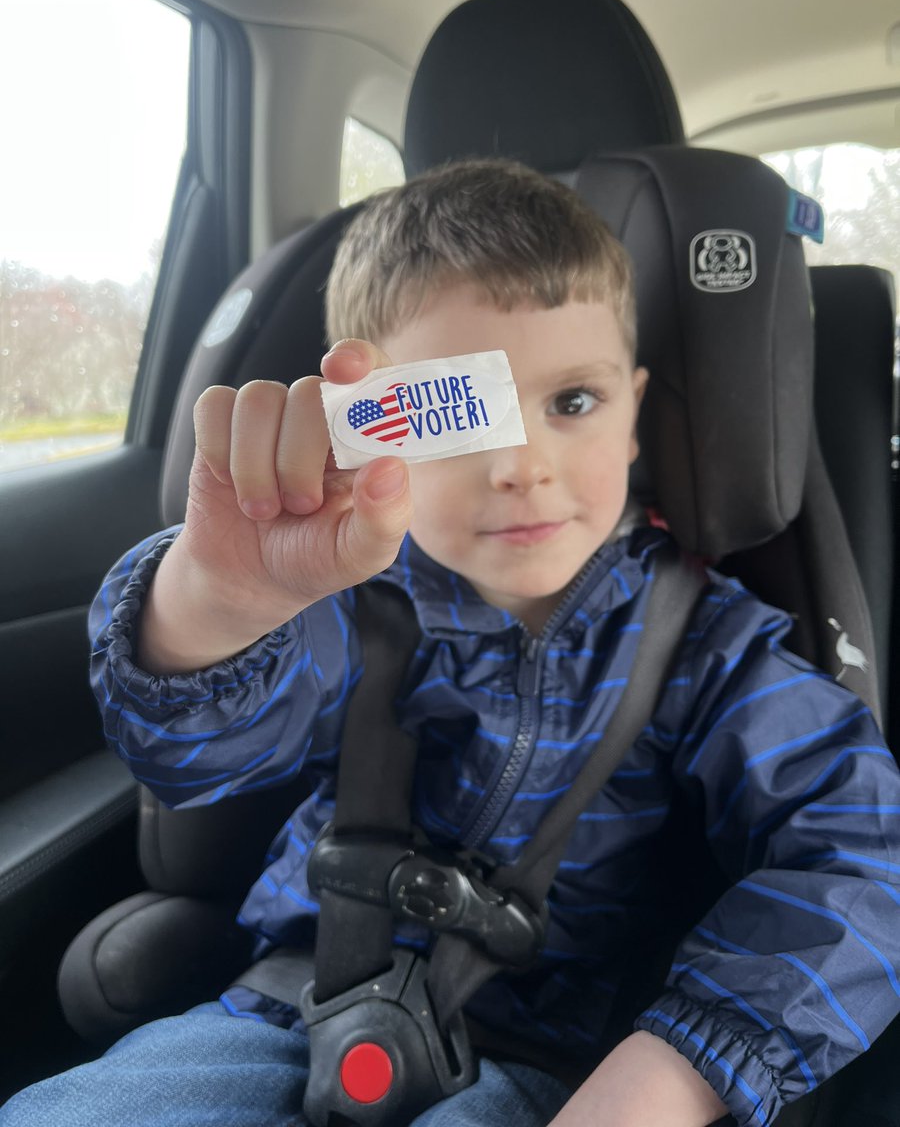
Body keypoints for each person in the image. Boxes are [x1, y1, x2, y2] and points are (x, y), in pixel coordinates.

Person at [4, 158, 900, 1127]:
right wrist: (215, 608)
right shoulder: (347, 600)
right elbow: (193, 761)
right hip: (285, 1006)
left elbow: (864, 853)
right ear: (373, 430)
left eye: (572, 403)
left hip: (552, 1059)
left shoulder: (712, 647)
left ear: (636, 413)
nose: (521, 466)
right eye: (461, 415)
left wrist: (680, 1069)